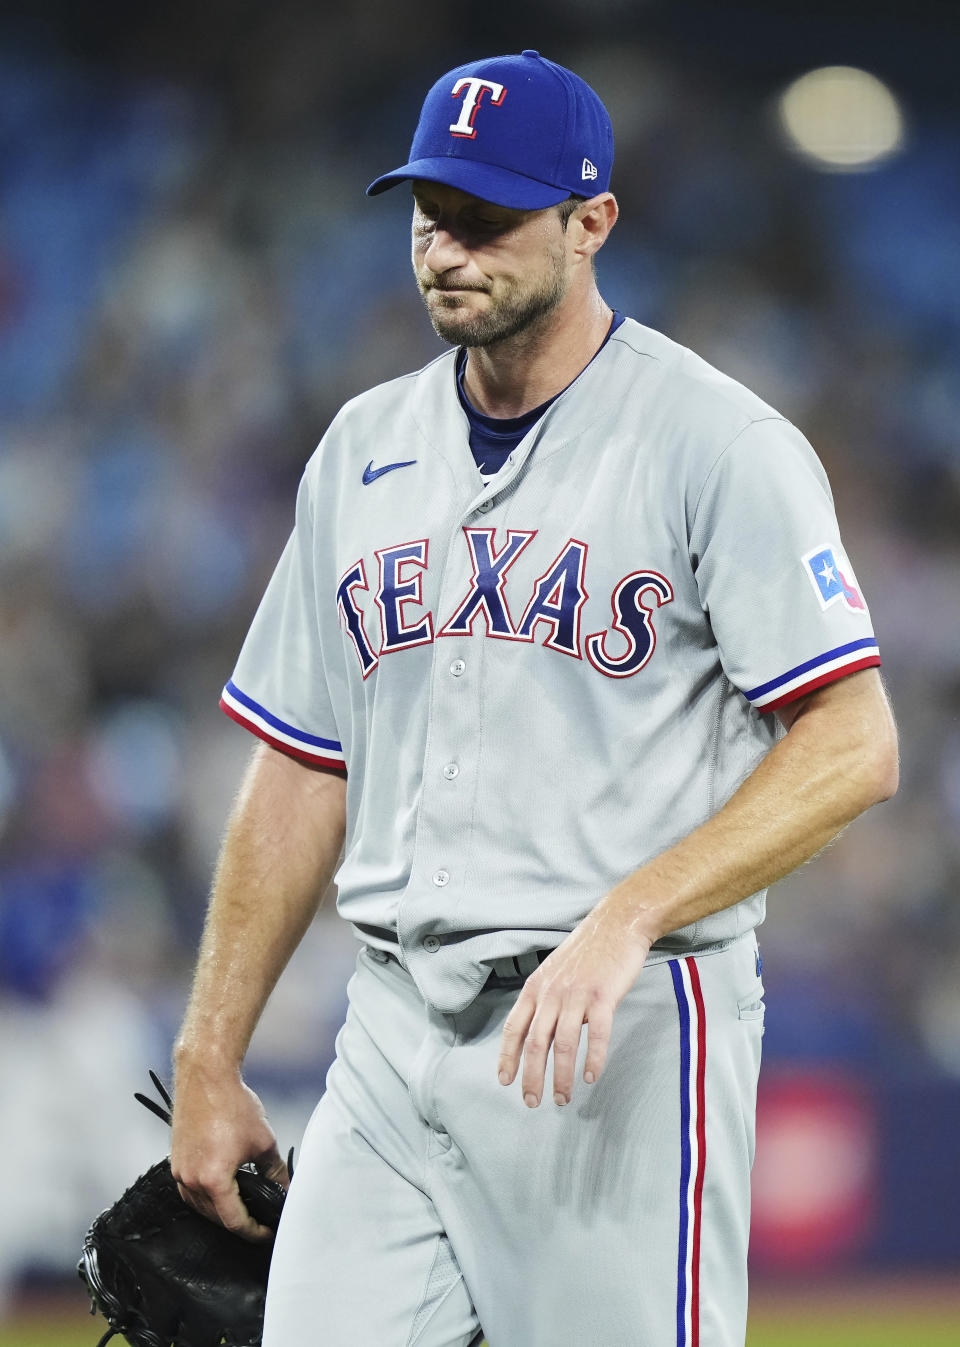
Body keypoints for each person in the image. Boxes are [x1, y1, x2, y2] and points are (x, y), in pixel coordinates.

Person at [170, 50, 898, 1347]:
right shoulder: (361, 451)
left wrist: (630, 915)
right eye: (431, 215)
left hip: (620, 1033)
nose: (451, 249)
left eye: (491, 219)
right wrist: (208, 1055)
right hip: (391, 1032)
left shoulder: (714, 445)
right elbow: (299, 768)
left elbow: (854, 744)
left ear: (591, 221)